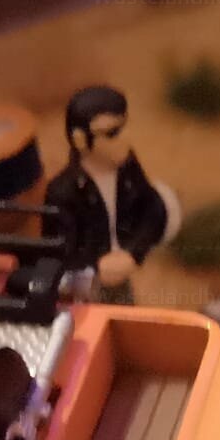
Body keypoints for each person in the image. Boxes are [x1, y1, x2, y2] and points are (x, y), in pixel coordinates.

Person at [45, 85, 181, 304]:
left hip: (120, 275)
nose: (126, 139)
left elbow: (151, 210)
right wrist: (95, 267)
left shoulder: (128, 169)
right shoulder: (63, 192)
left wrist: (133, 253)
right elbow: (59, 252)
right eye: (112, 133)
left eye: (125, 127)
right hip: (83, 290)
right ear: (80, 139)